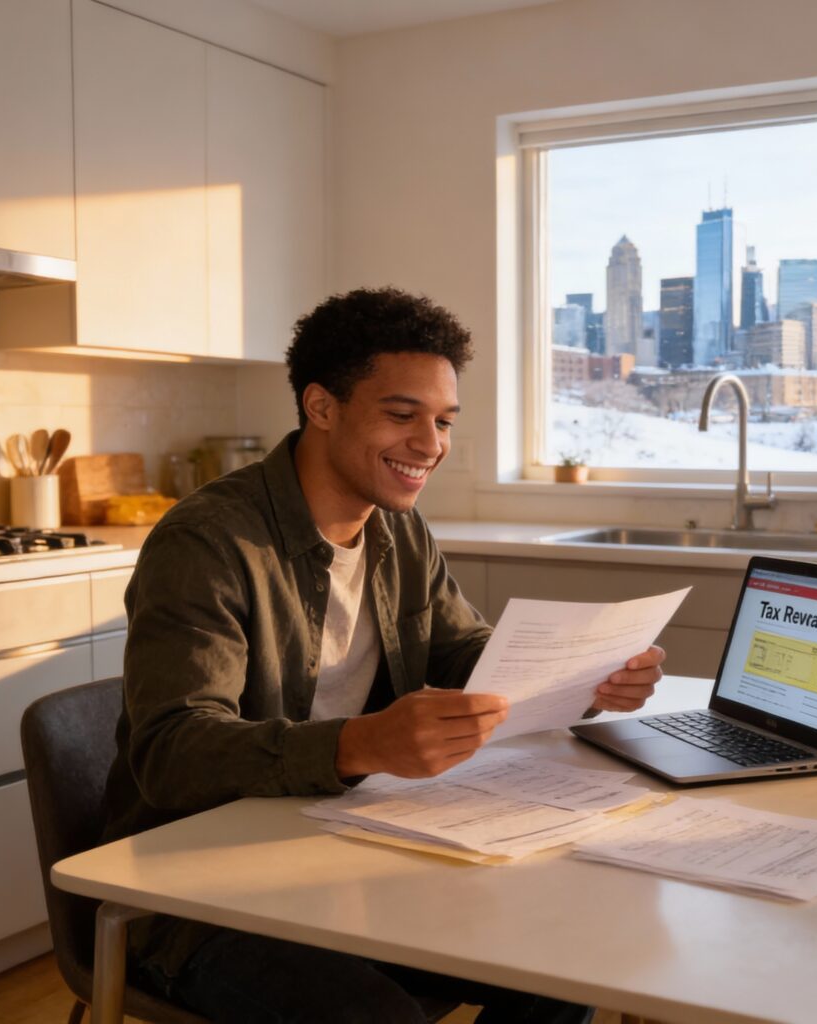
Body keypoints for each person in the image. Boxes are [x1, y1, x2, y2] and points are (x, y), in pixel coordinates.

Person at [102, 286, 666, 1023]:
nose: (430, 445)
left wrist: (584, 673)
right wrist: (361, 743)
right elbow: (173, 751)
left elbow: (462, 647)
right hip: (198, 893)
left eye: (442, 421)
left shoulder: (398, 531)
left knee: (566, 955)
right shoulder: (207, 543)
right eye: (402, 416)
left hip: (342, 846)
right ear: (321, 406)